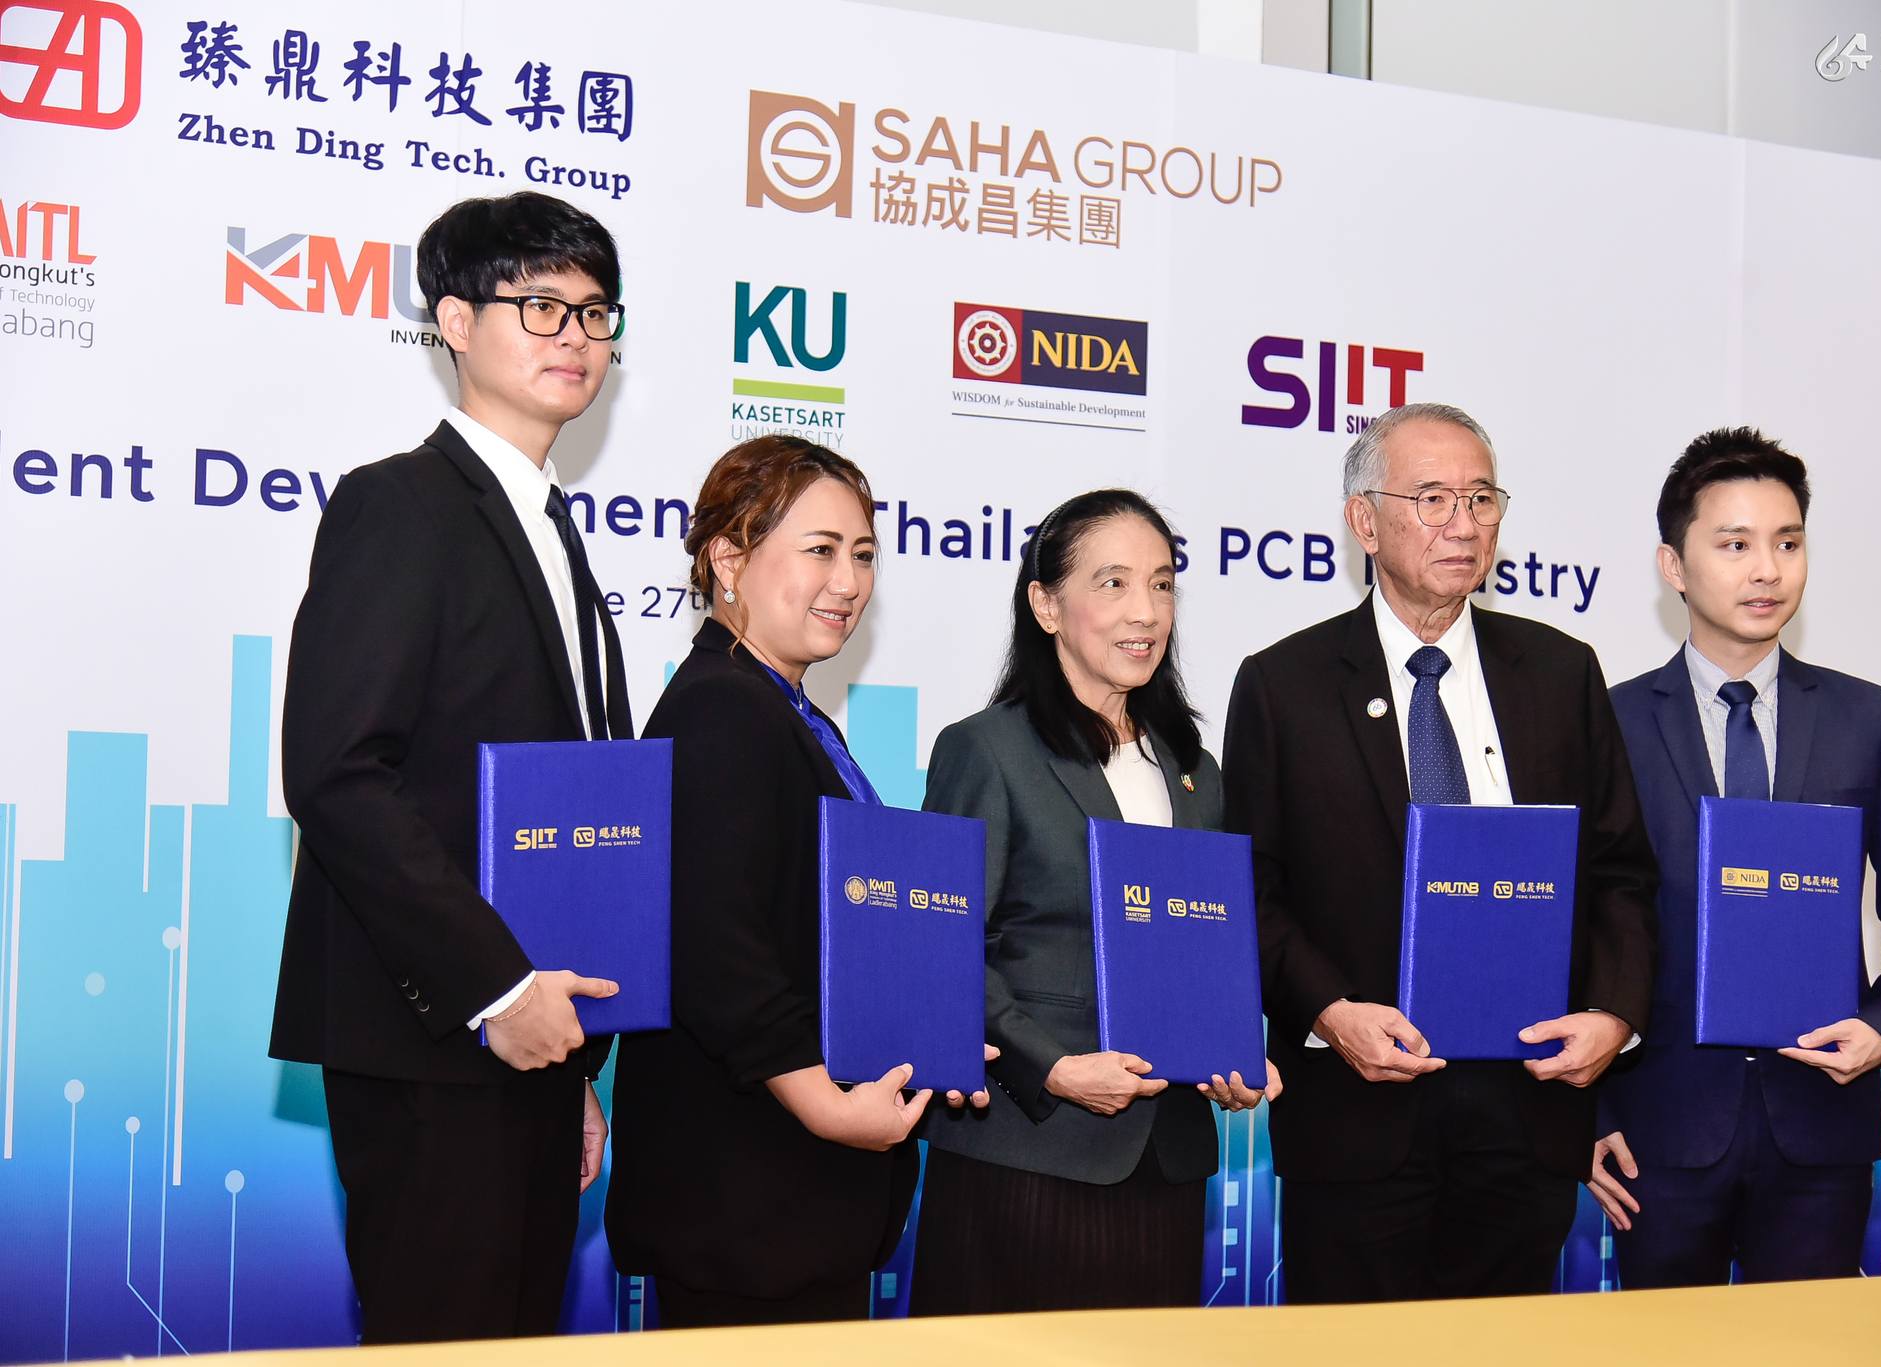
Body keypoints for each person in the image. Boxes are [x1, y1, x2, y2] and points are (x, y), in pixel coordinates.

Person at [270, 191, 633, 1342]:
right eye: (540, 306)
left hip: (533, 1044)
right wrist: (495, 988)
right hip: (434, 1035)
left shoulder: (553, 530)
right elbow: (336, 771)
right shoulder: (400, 503)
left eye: (594, 311)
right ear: (456, 323)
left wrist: (571, 1064)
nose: (574, 335)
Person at [1223, 402, 1658, 1302]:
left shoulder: (1562, 671)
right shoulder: (1283, 685)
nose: (1464, 524)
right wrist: (1330, 1011)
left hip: (1528, 1112)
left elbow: (1620, 871)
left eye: (1481, 498)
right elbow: (1250, 890)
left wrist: (1614, 1015)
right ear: (1364, 520)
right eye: (1432, 499)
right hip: (1356, 1117)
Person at [606, 436, 989, 1328]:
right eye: (820, 549)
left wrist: (932, 1034)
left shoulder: (787, 711)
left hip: (792, 1198)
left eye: (863, 554)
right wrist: (823, 1102)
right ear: (728, 559)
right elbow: (713, 944)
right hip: (747, 1195)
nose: (848, 582)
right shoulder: (721, 705)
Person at [1587, 427, 1881, 1285]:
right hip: (1658, 1126)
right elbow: (1582, 920)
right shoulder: (1609, 721)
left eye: (1788, 543)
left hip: (1820, 1123)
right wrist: (1590, 1108)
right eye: (1736, 545)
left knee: (1813, 1342)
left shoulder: (1866, 716)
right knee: (1661, 1348)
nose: (1767, 569)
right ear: (1673, 565)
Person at [912, 488, 1279, 1317]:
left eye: (1162, 583)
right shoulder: (987, 749)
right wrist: (1053, 1066)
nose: (1145, 611)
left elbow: (1204, 949)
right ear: (1046, 605)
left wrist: (1231, 1052)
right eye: (1113, 583)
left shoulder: (1194, 769)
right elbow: (946, 948)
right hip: (1029, 1153)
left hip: (1166, 1161)